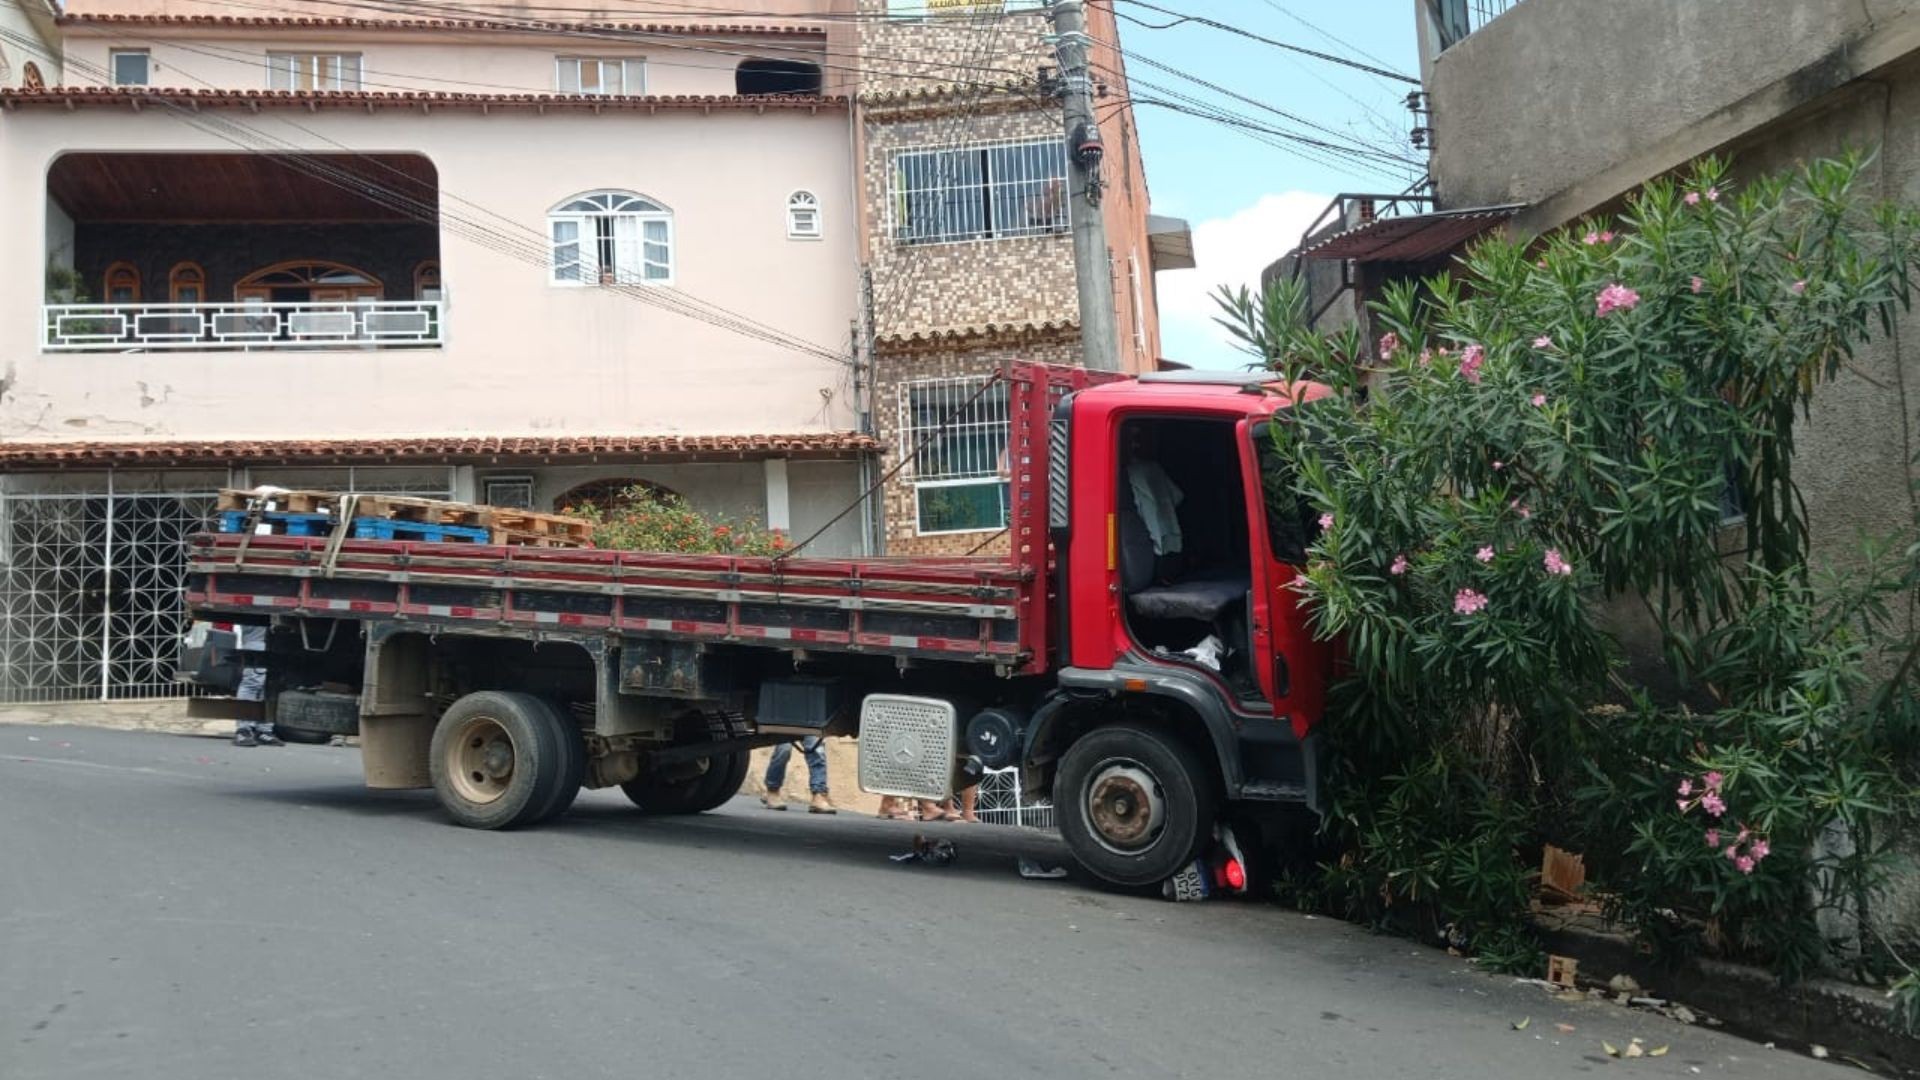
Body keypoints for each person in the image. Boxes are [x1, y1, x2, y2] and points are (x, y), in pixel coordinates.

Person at [231, 624, 281, 747]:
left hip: (269, 639)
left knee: (269, 685)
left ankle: (263, 730)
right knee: (253, 682)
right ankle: (243, 730)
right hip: (257, 638)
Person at [761, 736, 835, 814]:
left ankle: (819, 795)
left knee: (817, 751)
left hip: (809, 724)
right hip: (784, 726)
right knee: (784, 750)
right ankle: (773, 790)